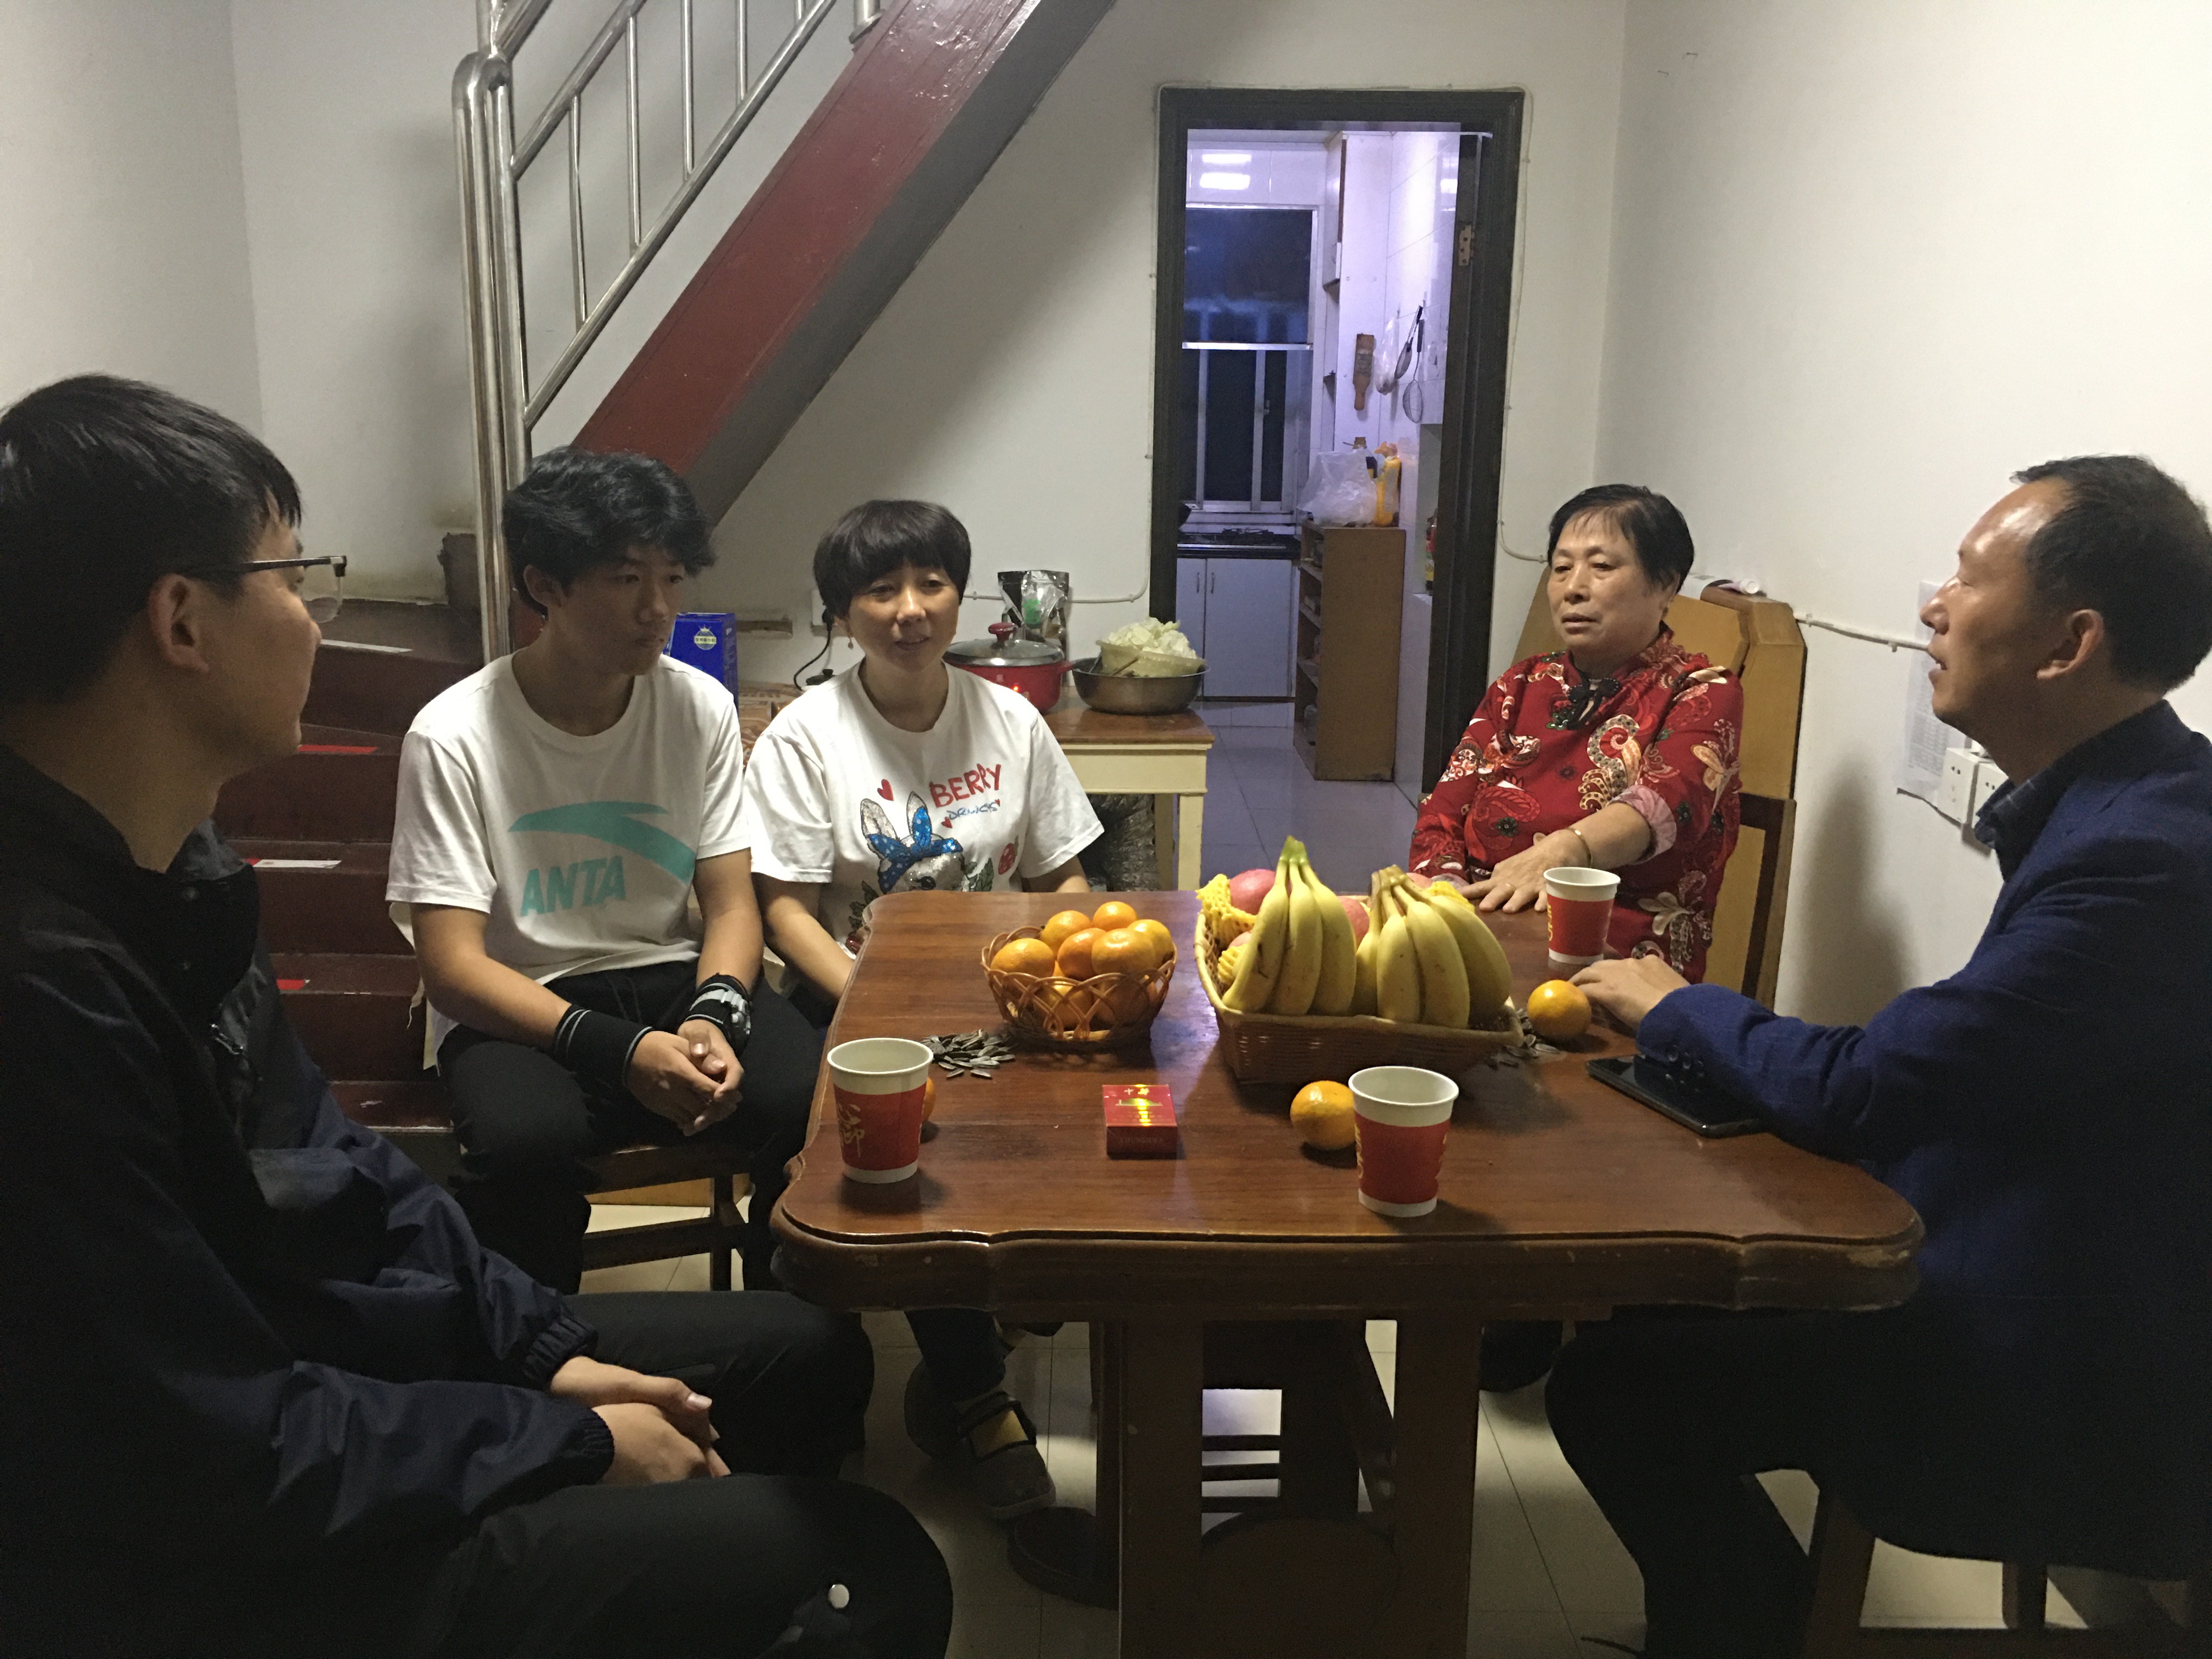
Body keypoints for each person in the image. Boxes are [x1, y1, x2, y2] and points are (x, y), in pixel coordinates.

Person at [0, 376, 952, 1659]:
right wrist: (559, 1437)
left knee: (810, 1353)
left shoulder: (185, 875)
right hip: (232, 1549)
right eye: (295, 575)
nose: (317, 615)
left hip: (323, 1361)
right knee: (873, 1568)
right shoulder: (45, 990)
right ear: (181, 620)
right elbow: (205, 1446)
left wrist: (542, 1349)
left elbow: (348, 1171)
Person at [1550, 456, 2212, 1659]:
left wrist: (1672, 1004)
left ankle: (1754, 1634)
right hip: (2038, 1254)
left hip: (2070, 1357)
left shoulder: (2146, 862)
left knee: (1618, 1387)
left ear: (2069, 644)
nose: (1932, 606)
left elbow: (1870, 1085)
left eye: (1967, 577)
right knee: (1642, 1306)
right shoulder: (2132, 802)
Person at [738, 499, 1101, 1522]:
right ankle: (976, 1395)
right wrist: (879, 998)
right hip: (847, 999)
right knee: (909, 1151)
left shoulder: (1011, 719)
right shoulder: (807, 735)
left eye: (931, 583)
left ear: (959, 594)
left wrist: (1055, 977)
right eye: (879, 590)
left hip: (999, 999)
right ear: (841, 613)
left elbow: (1063, 876)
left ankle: (1017, 1305)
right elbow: (784, 911)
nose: (909, 609)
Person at [387, 448, 821, 1296]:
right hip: (522, 1000)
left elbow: (731, 906)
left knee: (810, 1098)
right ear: (544, 586)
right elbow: (452, 968)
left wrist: (716, 1009)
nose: (658, 609)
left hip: (668, 978)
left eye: (671, 578)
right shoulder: (453, 735)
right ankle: (544, 1356)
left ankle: (786, 1337)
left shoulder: (696, 704)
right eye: (627, 580)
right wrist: (623, 1053)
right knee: (526, 1144)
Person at [1409, 484, 1742, 979]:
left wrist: (1562, 851)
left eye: (1601, 567)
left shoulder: (1701, 691)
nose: (1573, 588)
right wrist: (1447, 900)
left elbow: (1664, 805)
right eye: (1562, 568)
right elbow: (1441, 817)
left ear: (1666, 585)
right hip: (1481, 934)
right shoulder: (1520, 685)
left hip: (1616, 960)